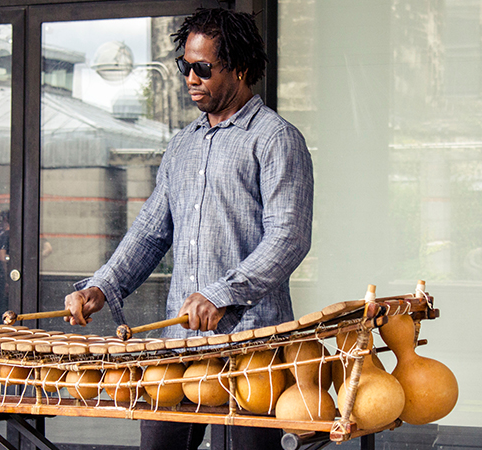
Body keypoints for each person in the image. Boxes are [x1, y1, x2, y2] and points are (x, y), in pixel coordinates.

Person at [63, 8, 313, 450]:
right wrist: (100, 288)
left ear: (238, 68)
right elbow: (149, 232)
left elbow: (288, 237)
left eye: (203, 68)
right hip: (178, 347)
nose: (190, 78)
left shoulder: (276, 139)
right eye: (185, 66)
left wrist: (221, 293)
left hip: (250, 347)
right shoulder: (182, 144)